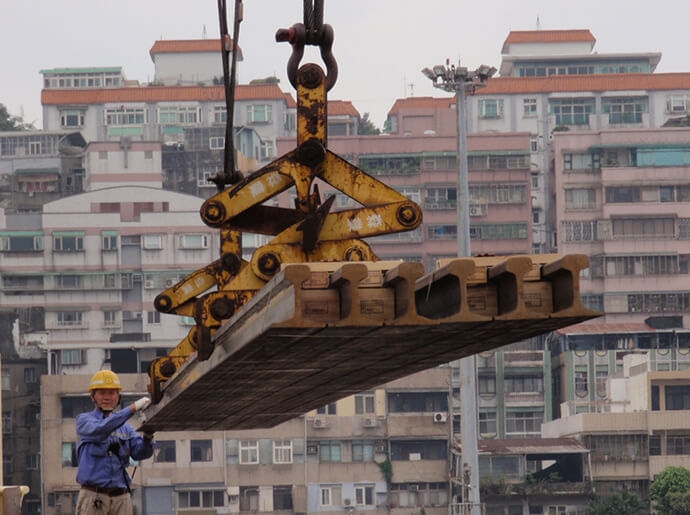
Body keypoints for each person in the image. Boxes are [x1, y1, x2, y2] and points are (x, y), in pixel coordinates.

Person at [75, 370, 155, 515]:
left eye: (112, 393)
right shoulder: (84, 421)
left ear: (118, 396)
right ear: (93, 396)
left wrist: (148, 435)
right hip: (94, 497)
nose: (107, 397)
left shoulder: (126, 427)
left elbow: (140, 453)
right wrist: (132, 409)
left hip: (121, 498)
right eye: (102, 393)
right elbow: (101, 429)